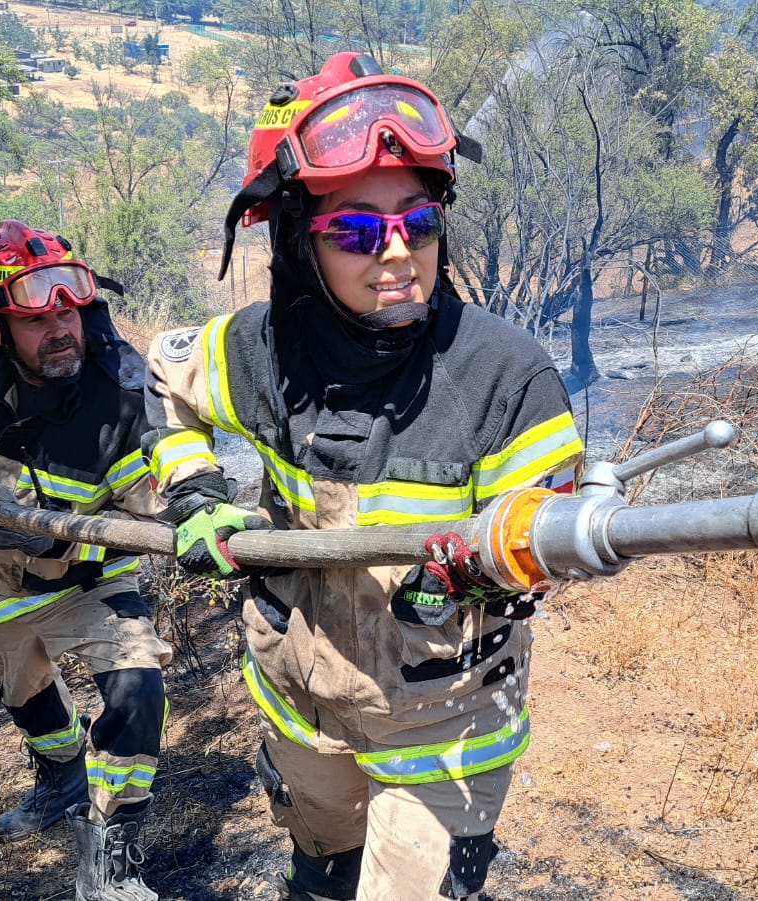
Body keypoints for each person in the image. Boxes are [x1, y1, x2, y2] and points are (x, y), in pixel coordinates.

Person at [142, 52, 585, 901]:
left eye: (416, 223)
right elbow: (162, 378)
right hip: (301, 705)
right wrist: (195, 488)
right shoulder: (257, 353)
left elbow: (553, 536)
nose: (394, 254)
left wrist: (499, 564)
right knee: (317, 875)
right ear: (297, 242)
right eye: (353, 231)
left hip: (442, 725)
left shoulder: (505, 376)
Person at [0, 221, 169, 901]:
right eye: (36, 319)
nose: (62, 330)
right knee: (25, 693)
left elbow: (153, 521)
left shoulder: (121, 393)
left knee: (138, 685)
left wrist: (60, 540)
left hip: (88, 579)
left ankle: (112, 860)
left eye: (70, 311)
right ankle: (61, 776)